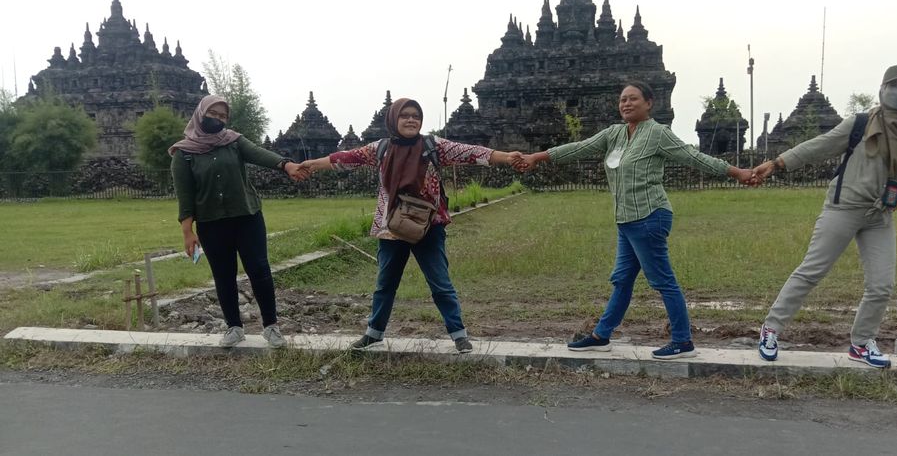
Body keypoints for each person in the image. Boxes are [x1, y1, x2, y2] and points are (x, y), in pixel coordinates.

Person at [516, 81, 756, 359]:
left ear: (649, 103)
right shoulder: (614, 134)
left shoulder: (658, 134)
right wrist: (537, 157)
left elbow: (694, 157)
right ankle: (600, 336)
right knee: (622, 280)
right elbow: (578, 148)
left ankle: (683, 340)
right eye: (622, 100)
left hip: (650, 216)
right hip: (626, 220)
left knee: (662, 280)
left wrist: (737, 172)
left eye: (633, 99)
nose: (626, 104)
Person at [301, 97, 523, 353]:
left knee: (440, 283)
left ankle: (459, 335)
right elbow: (346, 158)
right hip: (392, 227)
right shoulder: (381, 148)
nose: (410, 120)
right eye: (404, 115)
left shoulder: (433, 146)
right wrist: (311, 165)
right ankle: (373, 333)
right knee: (385, 284)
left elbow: (472, 153)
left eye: (415, 116)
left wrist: (507, 157)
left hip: (429, 226)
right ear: (394, 119)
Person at [751, 65, 897, 368]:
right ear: (882, 89)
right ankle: (771, 329)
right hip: (843, 209)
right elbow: (819, 147)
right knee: (812, 271)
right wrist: (778, 163)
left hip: (880, 217)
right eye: (893, 85)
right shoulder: (860, 124)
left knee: (881, 285)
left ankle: (861, 343)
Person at [170, 95, 310, 348]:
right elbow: (185, 196)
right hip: (212, 223)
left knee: (259, 270)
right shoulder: (184, 153)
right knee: (224, 275)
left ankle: (271, 327)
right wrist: (187, 232)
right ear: (201, 114)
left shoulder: (233, 141)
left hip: (248, 217)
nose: (219, 119)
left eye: (223, 116)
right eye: (213, 114)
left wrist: (286, 165)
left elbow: (259, 154)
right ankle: (234, 327)